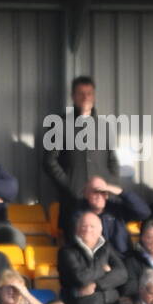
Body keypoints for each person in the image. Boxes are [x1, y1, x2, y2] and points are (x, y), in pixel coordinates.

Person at [43, 76, 121, 222]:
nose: (85, 97)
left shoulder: (104, 126)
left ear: (94, 96)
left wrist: (111, 184)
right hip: (73, 201)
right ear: (73, 96)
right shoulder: (59, 124)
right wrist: (70, 185)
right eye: (81, 93)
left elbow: (112, 160)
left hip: (102, 200)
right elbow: (49, 161)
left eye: (89, 93)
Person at [57, 210, 130, 304]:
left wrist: (97, 285)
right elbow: (81, 278)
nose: (88, 230)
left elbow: (122, 274)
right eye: (84, 226)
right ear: (77, 229)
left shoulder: (107, 247)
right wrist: (104, 268)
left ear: (100, 230)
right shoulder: (67, 251)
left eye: (92, 226)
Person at [66, 174, 150, 255]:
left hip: (122, 258)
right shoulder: (79, 215)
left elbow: (144, 213)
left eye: (103, 192)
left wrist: (121, 192)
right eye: (95, 192)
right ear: (86, 194)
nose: (99, 196)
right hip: (93, 261)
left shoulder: (116, 209)